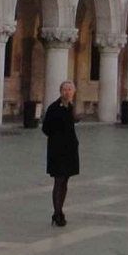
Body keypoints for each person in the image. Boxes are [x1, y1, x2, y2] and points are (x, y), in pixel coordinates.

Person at [41, 80, 79, 227]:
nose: (67, 92)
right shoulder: (54, 108)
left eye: (70, 89)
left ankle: (60, 210)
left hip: (70, 149)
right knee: (58, 180)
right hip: (57, 150)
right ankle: (57, 213)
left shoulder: (71, 107)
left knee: (65, 181)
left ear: (73, 92)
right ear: (60, 91)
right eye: (64, 89)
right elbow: (46, 128)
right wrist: (57, 137)